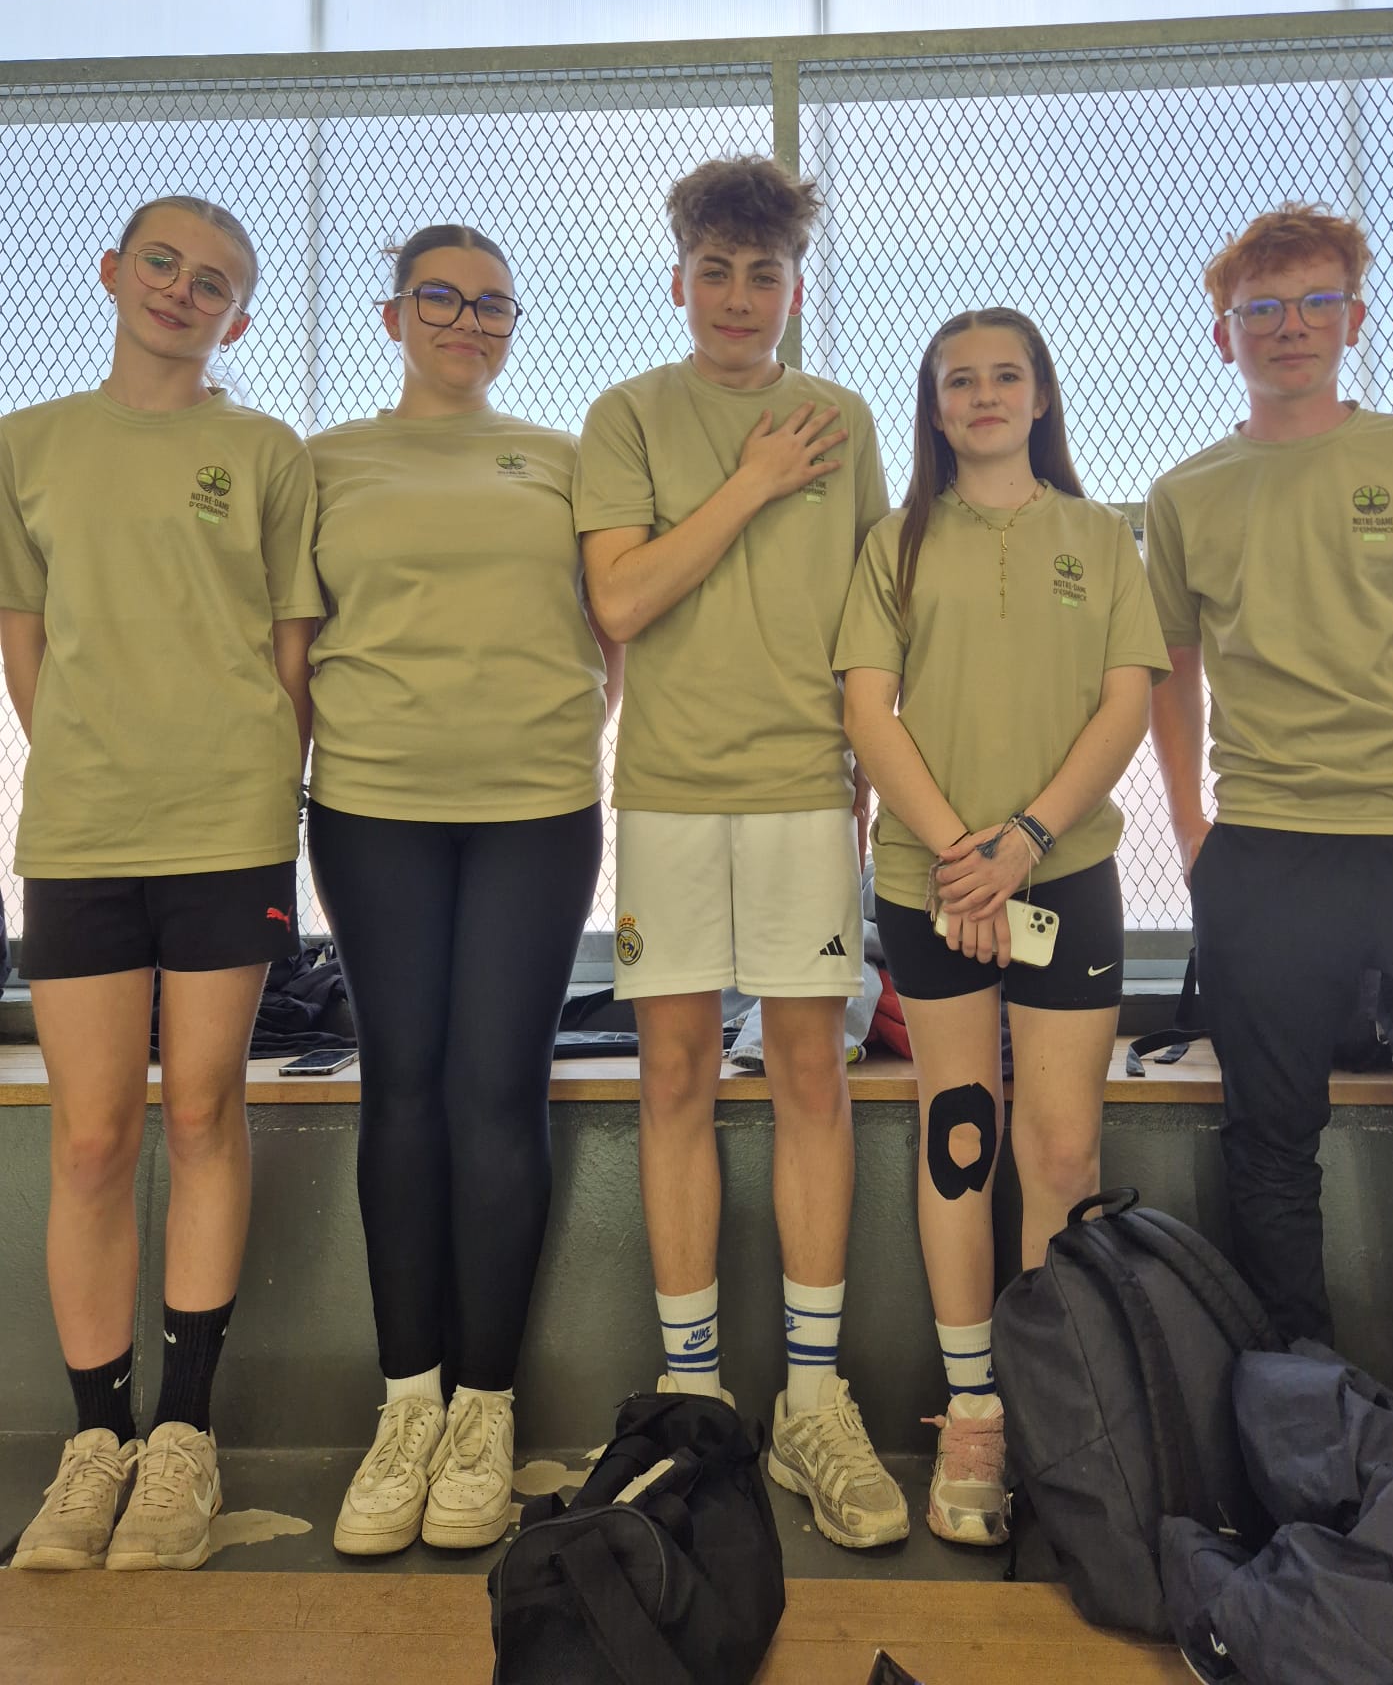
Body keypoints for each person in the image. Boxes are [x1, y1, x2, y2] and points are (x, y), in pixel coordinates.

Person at [575, 156, 907, 1549]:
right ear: (679, 280)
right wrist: (756, 480)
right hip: (666, 794)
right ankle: (695, 1395)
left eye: (763, 272)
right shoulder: (627, 414)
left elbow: (878, 612)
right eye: (714, 269)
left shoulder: (844, 418)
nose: (737, 294)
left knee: (812, 1071)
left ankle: (813, 1397)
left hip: (804, 793)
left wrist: (871, 772)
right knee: (674, 1075)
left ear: (793, 289)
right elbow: (623, 598)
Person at [1146, 203, 1393, 1468]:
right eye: (1261, 307)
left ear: (1354, 317)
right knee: (1269, 1138)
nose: (1288, 326)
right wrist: (1197, 834)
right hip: (1271, 845)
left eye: (1314, 302)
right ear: (1223, 333)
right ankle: (1310, 1423)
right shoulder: (1185, 492)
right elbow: (1170, 678)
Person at [0, 196, 320, 1570]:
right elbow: (24, 641)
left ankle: (183, 1439)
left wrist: (250, 775)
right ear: (112, 268)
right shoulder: (28, 445)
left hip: (228, 824)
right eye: (164, 264)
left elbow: (292, 652)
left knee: (201, 1110)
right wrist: (88, 759)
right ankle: (96, 1444)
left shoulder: (264, 452)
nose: (184, 290)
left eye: (215, 283)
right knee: (89, 1140)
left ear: (238, 321)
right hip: (80, 831)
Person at [306, 223, 617, 1555]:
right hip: (369, 805)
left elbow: (612, 628)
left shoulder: (561, 458)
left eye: (493, 304)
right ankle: (408, 1406)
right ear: (393, 315)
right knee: (403, 1083)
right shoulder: (325, 462)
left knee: (499, 1089)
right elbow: (293, 641)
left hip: (535, 811)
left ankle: (484, 1411)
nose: (467, 320)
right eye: (440, 296)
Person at [838, 306, 1167, 1543]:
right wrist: (961, 858)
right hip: (932, 878)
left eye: (1006, 375)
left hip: (1062, 867)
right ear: (934, 406)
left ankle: (1055, 1403)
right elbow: (869, 710)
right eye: (958, 380)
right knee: (962, 1132)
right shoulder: (895, 541)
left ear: (1042, 395)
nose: (982, 395)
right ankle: (975, 1406)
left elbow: (1125, 704)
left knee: (1065, 1148)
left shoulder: (1099, 535)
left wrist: (1023, 839)